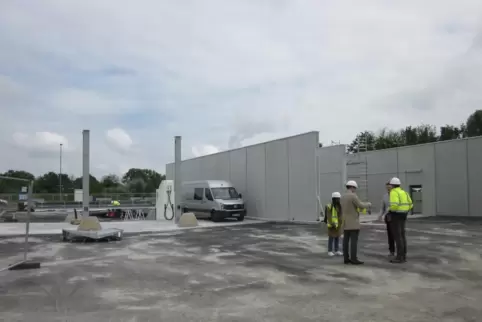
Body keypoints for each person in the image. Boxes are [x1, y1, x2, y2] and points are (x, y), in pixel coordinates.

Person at [340, 180, 372, 265]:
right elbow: (360, 205)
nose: (355, 190)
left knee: (345, 241)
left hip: (345, 222)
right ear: (352, 187)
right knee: (353, 242)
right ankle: (354, 259)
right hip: (353, 223)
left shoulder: (342, 197)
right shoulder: (353, 196)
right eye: (355, 188)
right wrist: (368, 204)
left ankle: (346, 258)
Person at [387, 177, 413, 264]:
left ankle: (399, 257)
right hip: (404, 215)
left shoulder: (393, 192)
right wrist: (405, 210)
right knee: (402, 235)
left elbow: (394, 205)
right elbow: (411, 204)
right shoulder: (404, 192)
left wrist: (390, 210)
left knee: (398, 237)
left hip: (396, 216)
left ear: (392, 185)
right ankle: (404, 255)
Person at [378, 182, 395, 258]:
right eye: (387, 188)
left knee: (397, 235)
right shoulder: (385, 197)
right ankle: (392, 251)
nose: (388, 189)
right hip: (388, 217)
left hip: (396, 217)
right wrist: (380, 215)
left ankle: (400, 251)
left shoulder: (395, 196)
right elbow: (382, 207)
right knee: (390, 235)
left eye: (389, 187)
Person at [325, 192, 343, 257]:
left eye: (339, 199)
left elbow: (340, 215)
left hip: (338, 225)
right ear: (334, 199)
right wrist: (333, 223)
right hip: (332, 225)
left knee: (337, 237)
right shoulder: (329, 206)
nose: (338, 200)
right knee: (331, 238)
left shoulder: (339, 206)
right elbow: (329, 216)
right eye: (337, 199)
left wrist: (340, 223)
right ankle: (330, 251)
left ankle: (337, 250)